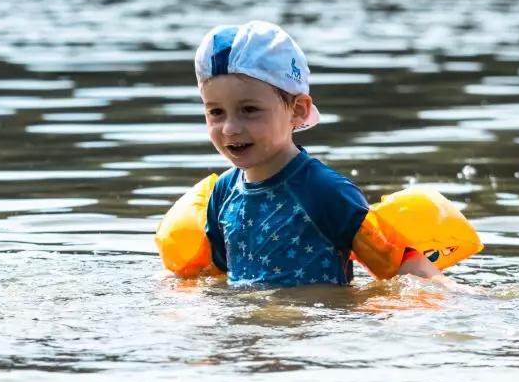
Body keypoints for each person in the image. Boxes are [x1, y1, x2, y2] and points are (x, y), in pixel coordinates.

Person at [175, 21, 445, 286]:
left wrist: (450, 292)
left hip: (316, 316)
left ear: (298, 110)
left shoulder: (325, 191)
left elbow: (400, 264)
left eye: (249, 110)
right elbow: (213, 275)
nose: (230, 128)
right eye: (216, 112)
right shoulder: (223, 193)